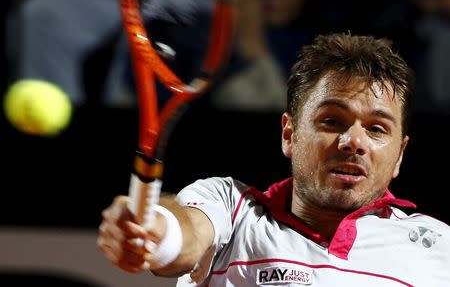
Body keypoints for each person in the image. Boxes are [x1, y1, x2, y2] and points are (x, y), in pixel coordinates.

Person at [97, 33, 450, 286]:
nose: (353, 142)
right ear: (289, 134)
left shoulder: (439, 247)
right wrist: (154, 234)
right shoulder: (233, 211)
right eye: (331, 121)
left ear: (400, 154)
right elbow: (185, 233)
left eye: (376, 128)